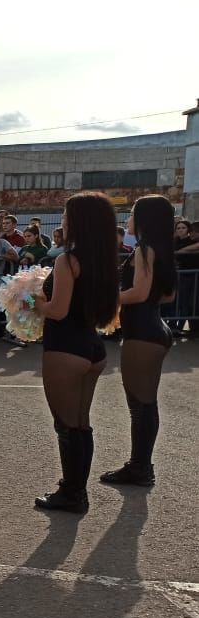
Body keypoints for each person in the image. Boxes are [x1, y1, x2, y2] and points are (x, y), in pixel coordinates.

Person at [31, 192, 119, 513]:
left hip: (66, 347)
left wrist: (30, 298)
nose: (63, 222)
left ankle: (72, 494)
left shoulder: (67, 259)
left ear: (79, 222)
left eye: (66, 216)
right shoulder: (104, 258)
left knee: (66, 425)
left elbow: (56, 310)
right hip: (93, 348)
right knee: (81, 424)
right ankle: (75, 490)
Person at [100, 195, 176, 487]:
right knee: (145, 403)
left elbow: (140, 293)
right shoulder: (160, 249)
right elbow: (166, 294)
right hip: (155, 326)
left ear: (144, 219)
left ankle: (139, 467)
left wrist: (105, 298)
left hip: (142, 332)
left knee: (140, 404)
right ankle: (141, 464)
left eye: (132, 214)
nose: (128, 219)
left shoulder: (145, 250)